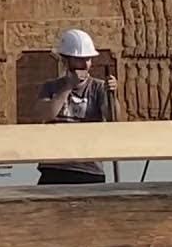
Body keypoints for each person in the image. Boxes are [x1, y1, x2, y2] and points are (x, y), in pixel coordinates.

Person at [32, 28, 119, 185]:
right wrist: (67, 87)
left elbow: (114, 118)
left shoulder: (98, 87)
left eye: (88, 59)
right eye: (79, 59)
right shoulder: (51, 87)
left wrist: (111, 94)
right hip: (54, 168)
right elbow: (45, 114)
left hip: (89, 169)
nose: (85, 65)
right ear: (66, 61)